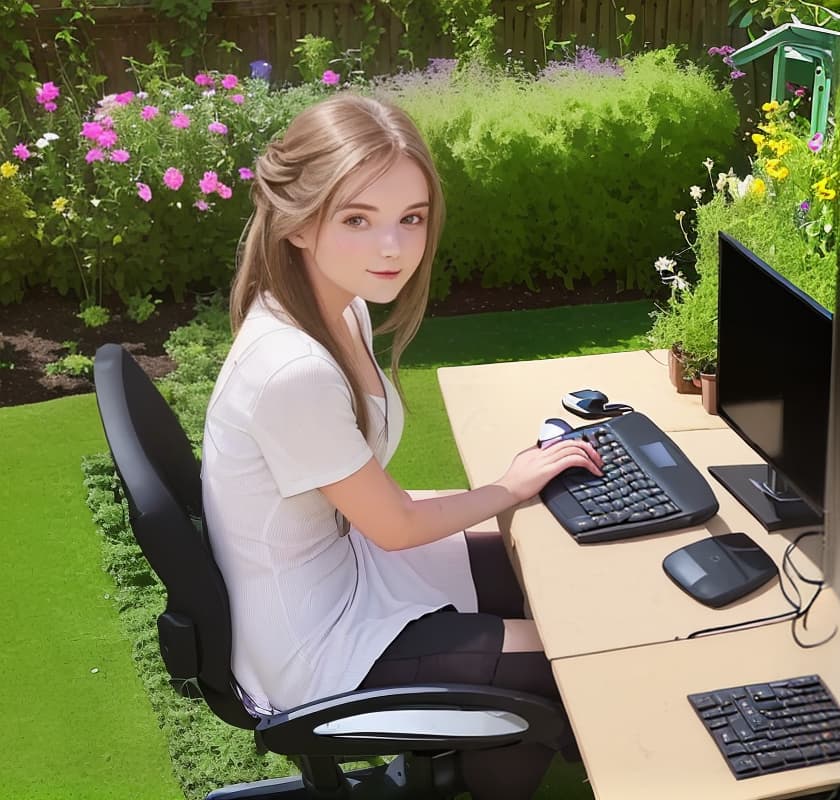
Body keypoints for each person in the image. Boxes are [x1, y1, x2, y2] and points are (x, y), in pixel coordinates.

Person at [201, 93, 602, 799]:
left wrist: (503, 503)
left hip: (345, 570)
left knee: (555, 568)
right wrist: (505, 488)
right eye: (358, 219)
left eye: (410, 219)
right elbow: (393, 527)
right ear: (298, 222)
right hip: (318, 645)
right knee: (568, 657)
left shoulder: (338, 306)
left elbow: (366, 505)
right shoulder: (292, 368)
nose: (393, 247)